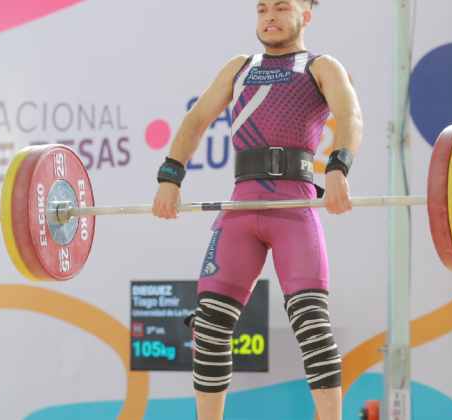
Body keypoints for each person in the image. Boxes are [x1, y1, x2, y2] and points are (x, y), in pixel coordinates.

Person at [152, 1, 362, 419]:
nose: (269, 15)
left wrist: (338, 167)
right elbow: (195, 121)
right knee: (210, 327)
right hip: (242, 208)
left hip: (294, 207)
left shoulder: (320, 67)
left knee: (310, 323)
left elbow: (351, 116)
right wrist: (170, 175)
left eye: (282, 7)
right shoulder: (239, 66)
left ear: (305, 15)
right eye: (262, 8)